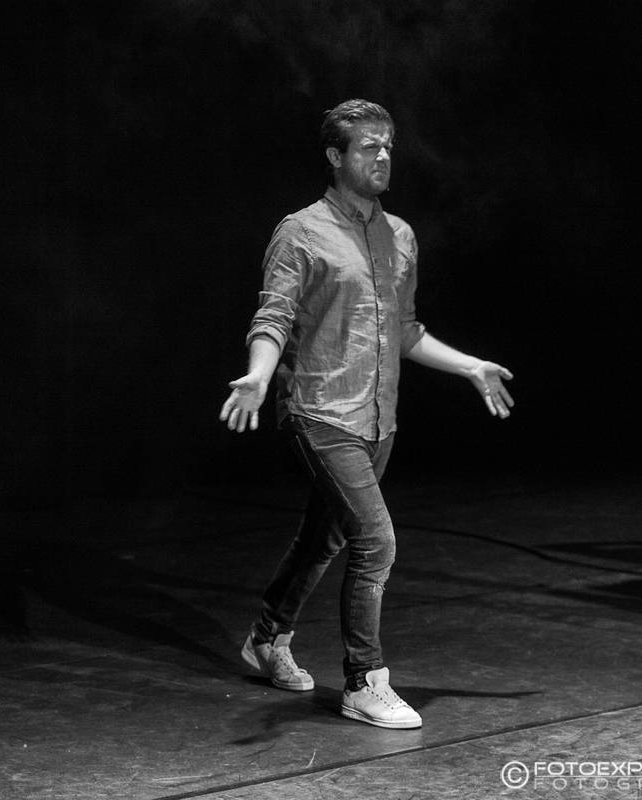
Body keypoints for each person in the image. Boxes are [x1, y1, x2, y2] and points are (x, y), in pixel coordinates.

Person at [220, 99, 514, 729]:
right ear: (336, 156)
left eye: (388, 146)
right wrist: (259, 375)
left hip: (378, 418)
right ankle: (364, 680)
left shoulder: (399, 235)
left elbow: (405, 329)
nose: (382, 156)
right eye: (368, 147)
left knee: (324, 536)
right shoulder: (301, 232)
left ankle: (266, 638)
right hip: (320, 412)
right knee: (376, 541)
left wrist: (470, 366)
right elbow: (273, 316)